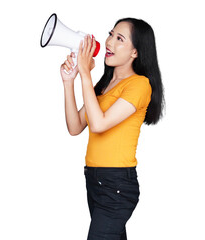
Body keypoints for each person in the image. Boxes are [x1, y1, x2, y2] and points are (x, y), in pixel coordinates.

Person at [60, 17, 165, 240]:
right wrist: (70, 82)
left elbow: (98, 125)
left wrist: (85, 74)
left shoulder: (139, 85)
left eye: (120, 39)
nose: (109, 42)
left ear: (135, 52)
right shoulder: (103, 86)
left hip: (116, 185)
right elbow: (75, 126)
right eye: (110, 34)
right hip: (95, 181)